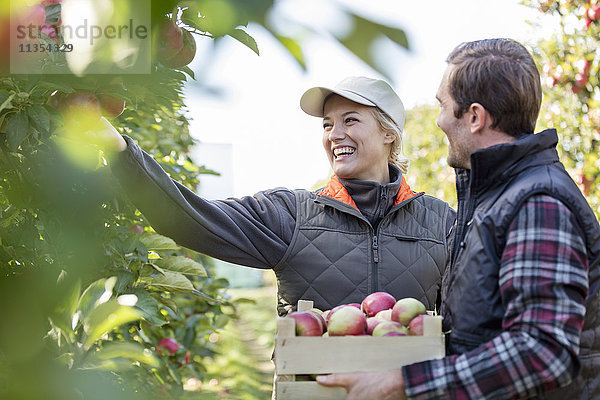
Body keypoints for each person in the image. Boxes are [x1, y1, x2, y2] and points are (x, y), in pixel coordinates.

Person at [316, 38, 600, 399]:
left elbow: (543, 351)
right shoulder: (493, 199)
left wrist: (404, 382)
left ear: (475, 117)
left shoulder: (538, 201)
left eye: (443, 106)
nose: (437, 121)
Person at [96, 76, 456, 317]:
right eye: (327, 124)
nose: (335, 134)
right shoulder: (292, 214)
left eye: (350, 120)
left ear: (388, 133)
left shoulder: (441, 222)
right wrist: (118, 150)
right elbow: (190, 218)